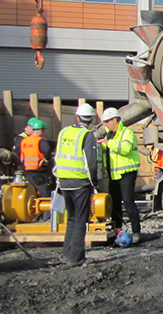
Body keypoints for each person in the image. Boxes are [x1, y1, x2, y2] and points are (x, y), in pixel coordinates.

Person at [55, 104, 99, 267]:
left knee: (71, 218)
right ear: (91, 119)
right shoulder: (86, 135)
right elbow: (91, 163)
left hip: (64, 182)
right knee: (81, 220)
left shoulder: (64, 132)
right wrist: (94, 182)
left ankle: (67, 254)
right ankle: (77, 257)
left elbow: (58, 155)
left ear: (77, 117)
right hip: (80, 182)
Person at [97, 107, 141, 243]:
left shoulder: (126, 133)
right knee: (114, 203)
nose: (105, 125)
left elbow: (125, 149)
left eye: (107, 122)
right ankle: (117, 231)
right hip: (114, 174)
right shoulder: (109, 135)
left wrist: (108, 143)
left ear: (114, 120)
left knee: (128, 202)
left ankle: (136, 232)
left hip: (127, 173)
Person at [18, 118, 53, 200]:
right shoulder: (41, 141)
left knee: (31, 195)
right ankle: (45, 213)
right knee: (45, 196)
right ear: (41, 130)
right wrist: (46, 161)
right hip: (39, 173)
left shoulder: (24, 141)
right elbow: (47, 152)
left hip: (27, 173)